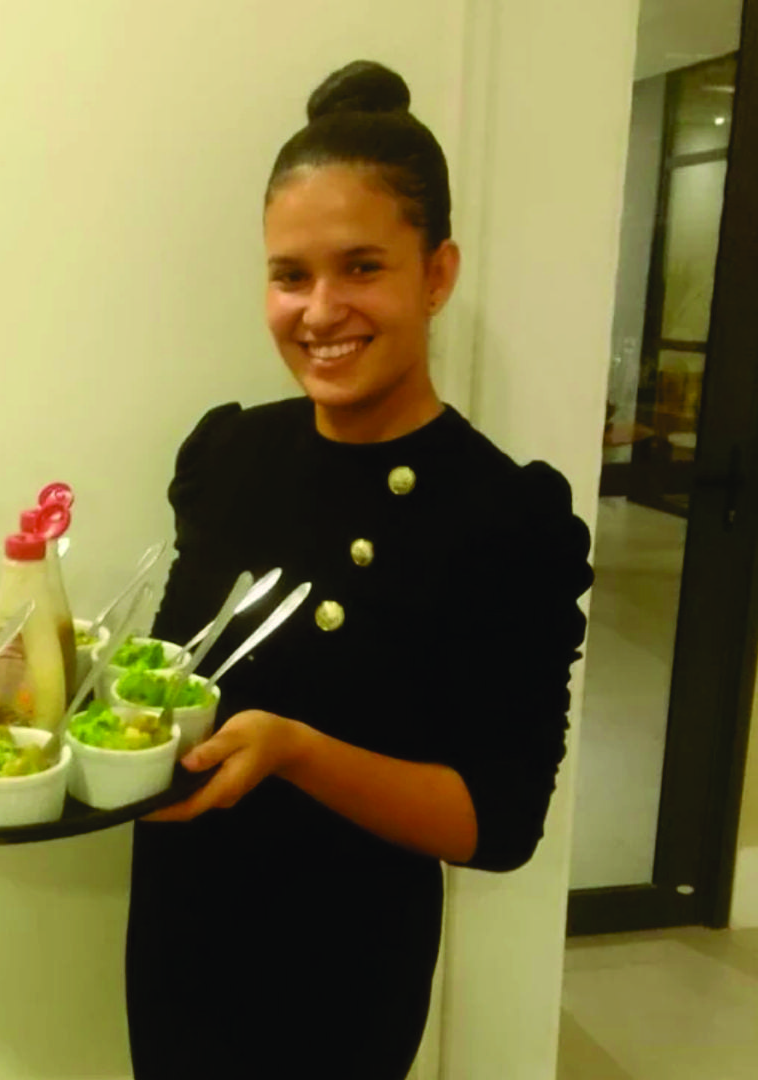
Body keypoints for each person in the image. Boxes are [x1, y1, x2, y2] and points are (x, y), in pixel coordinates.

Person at [125, 59, 594, 1080]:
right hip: (180, 922)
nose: (319, 309)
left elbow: (499, 822)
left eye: (362, 267)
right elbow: (172, 671)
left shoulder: (506, 516)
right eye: (290, 275)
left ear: (437, 274)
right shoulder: (229, 453)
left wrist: (297, 751)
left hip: (342, 957)